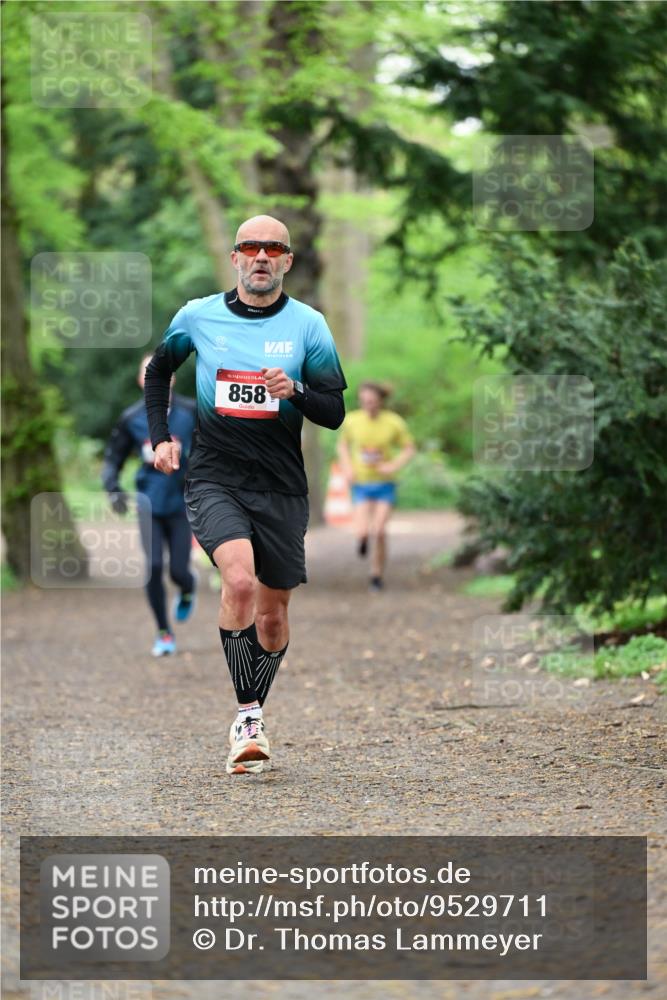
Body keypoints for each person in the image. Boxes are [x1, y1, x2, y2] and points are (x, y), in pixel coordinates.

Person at [143, 215, 347, 776]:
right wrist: (160, 438)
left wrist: (296, 390)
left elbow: (333, 412)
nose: (261, 257)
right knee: (238, 581)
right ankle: (248, 716)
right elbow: (160, 370)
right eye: (250, 247)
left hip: (281, 485)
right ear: (235, 257)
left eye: (272, 248)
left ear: (286, 261)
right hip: (215, 476)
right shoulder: (198, 315)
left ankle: (253, 708)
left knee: (274, 616)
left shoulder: (309, 326)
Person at [102, 355, 198, 657]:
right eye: (147, 373)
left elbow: (212, 449)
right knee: (154, 567)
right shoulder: (131, 418)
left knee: (179, 571)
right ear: (140, 381)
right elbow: (112, 459)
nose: (154, 378)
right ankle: (163, 632)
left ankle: (187, 588)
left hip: (183, 502)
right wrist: (113, 489)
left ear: (171, 378)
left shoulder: (191, 411)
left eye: (160, 373)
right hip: (149, 504)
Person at [337, 381, 415, 591]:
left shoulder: (393, 422)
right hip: (361, 483)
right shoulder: (352, 421)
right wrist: (347, 468)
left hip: (384, 484)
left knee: (379, 531)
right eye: (364, 402)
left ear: (380, 401)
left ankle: (376, 575)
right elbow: (342, 446)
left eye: (371, 402)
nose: (368, 405)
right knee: (363, 531)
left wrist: (393, 465)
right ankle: (362, 540)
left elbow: (409, 449)